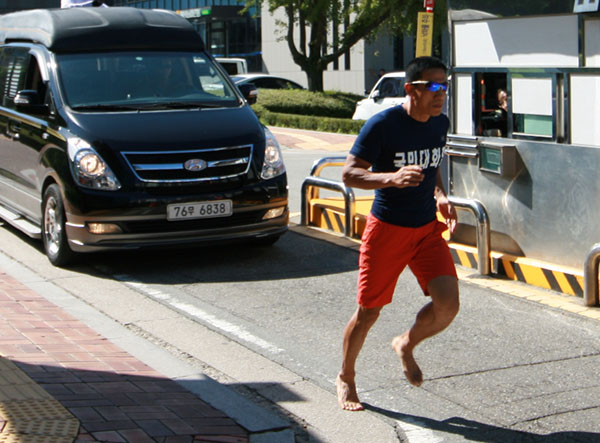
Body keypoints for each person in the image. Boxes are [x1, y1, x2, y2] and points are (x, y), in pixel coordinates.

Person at [336, 56, 459, 411]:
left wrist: (440, 196)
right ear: (411, 89)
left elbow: (430, 164)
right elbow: (349, 174)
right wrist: (390, 178)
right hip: (387, 230)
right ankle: (346, 377)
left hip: (425, 230)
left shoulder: (439, 122)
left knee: (448, 304)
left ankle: (406, 343)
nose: (441, 94)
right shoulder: (383, 125)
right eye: (433, 86)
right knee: (369, 312)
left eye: (444, 86)